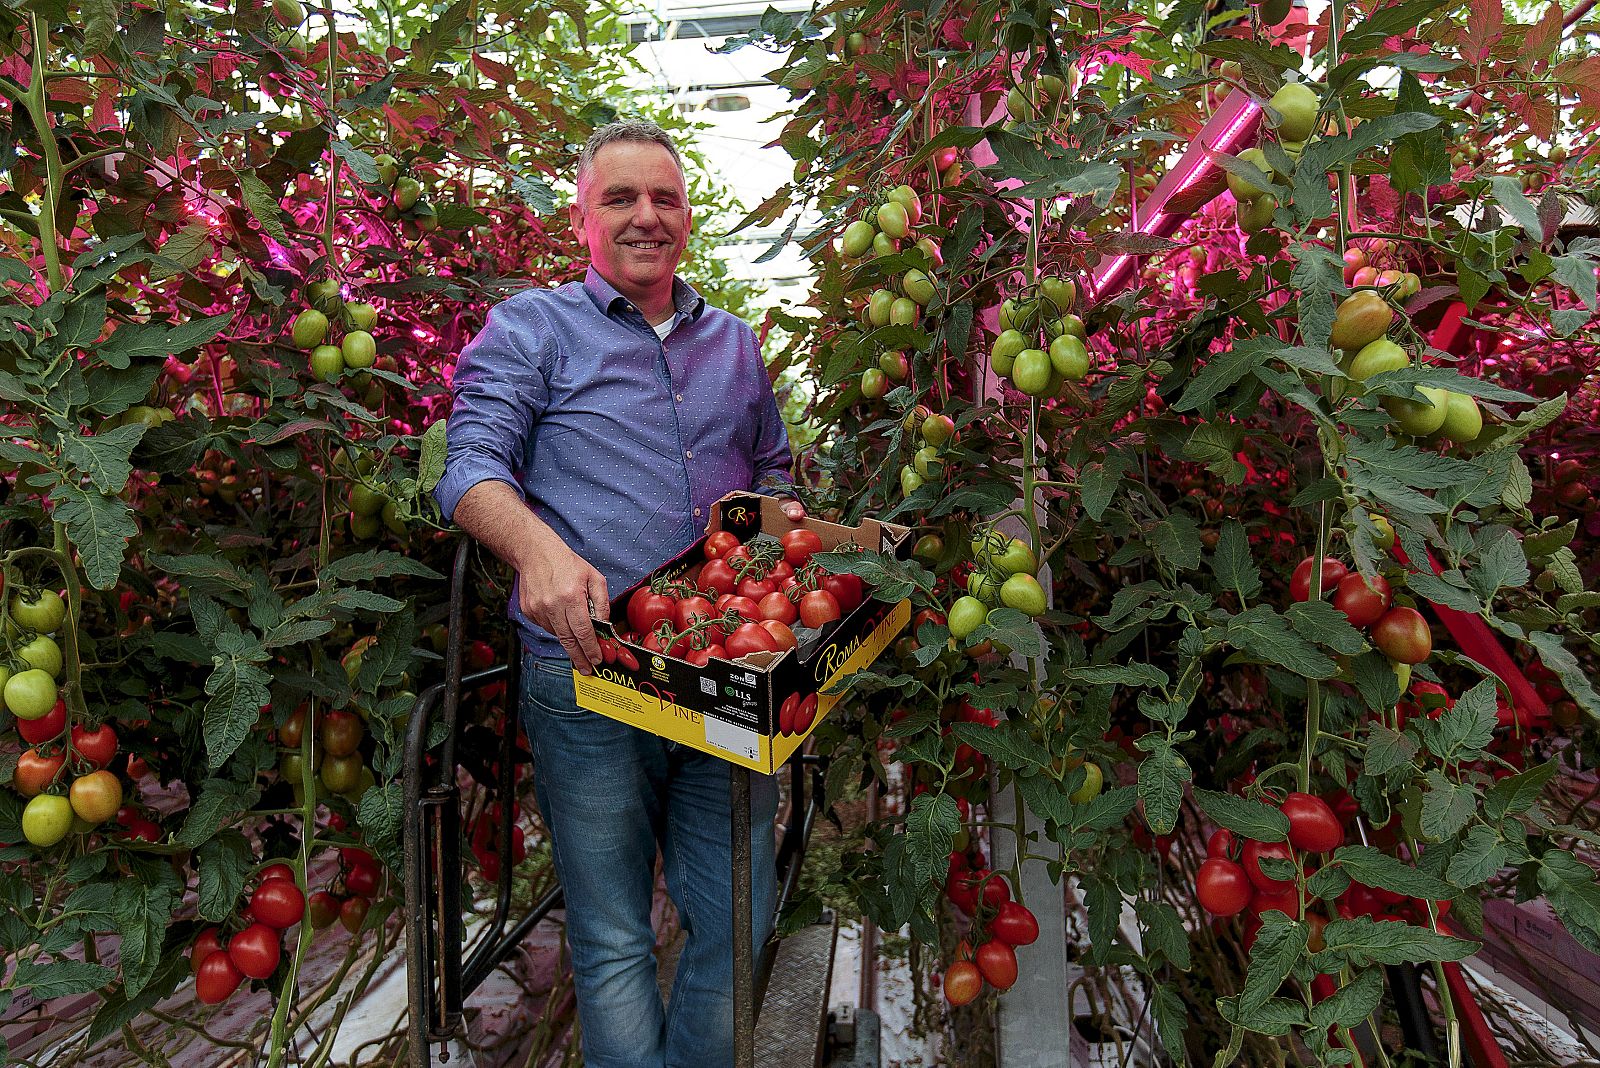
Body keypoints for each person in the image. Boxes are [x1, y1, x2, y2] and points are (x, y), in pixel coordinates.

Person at [432, 119, 801, 1068]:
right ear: (583, 218)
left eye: (665, 198)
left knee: (736, 923)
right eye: (622, 198)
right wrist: (538, 552)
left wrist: (788, 561)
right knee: (610, 936)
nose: (647, 216)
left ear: (686, 215)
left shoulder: (735, 343)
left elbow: (773, 474)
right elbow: (469, 468)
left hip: (724, 671)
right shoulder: (531, 329)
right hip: (588, 672)